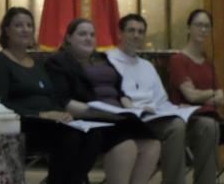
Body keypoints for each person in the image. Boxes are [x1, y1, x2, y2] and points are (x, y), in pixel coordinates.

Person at [0, 7, 102, 184]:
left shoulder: (37, 63)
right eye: (18, 25)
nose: (25, 29)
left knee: (93, 135)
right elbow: (0, 102)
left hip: (50, 122)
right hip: (25, 122)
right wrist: (41, 115)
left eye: (29, 25)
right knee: (70, 138)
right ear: (7, 30)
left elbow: (51, 97)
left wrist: (61, 112)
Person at [45, 18, 161, 184]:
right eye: (82, 34)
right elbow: (63, 101)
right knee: (127, 147)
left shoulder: (102, 58)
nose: (88, 38)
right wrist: (96, 112)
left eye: (92, 34)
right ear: (69, 38)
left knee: (152, 144)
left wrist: (131, 107)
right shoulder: (59, 62)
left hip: (119, 115)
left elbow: (119, 90)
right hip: (91, 119)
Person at [107, 14, 218, 184]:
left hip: (156, 116)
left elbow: (161, 101)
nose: (136, 35)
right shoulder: (108, 60)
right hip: (130, 119)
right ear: (120, 33)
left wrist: (175, 109)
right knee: (176, 126)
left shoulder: (147, 66)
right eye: (131, 30)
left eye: (140, 32)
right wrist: (138, 109)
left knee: (207, 125)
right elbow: (110, 97)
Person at [169, 9, 224, 116]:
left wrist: (201, 98)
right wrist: (212, 92)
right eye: (199, 25)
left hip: (209, 115)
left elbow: (221, 98)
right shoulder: (178, 60)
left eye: (207, 26)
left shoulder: (208, 63)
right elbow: (192, 96)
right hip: (188, 118)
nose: (203, 29)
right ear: (189, 28)